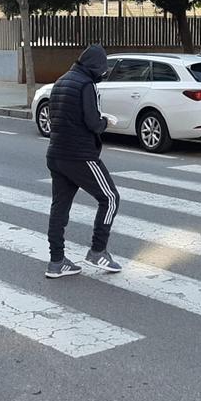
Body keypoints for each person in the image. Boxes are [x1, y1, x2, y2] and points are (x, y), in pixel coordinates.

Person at [44, 43, 123, 278]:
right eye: (102, 68)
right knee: (110, 198)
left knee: (59, 208)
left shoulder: (61, 81)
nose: (103, 73)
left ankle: (56, 262)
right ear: (94, 66)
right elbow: (92, 122)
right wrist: (105, 123)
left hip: (56, 154)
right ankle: (98, 251)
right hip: (80, 155)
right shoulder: (86, 85)